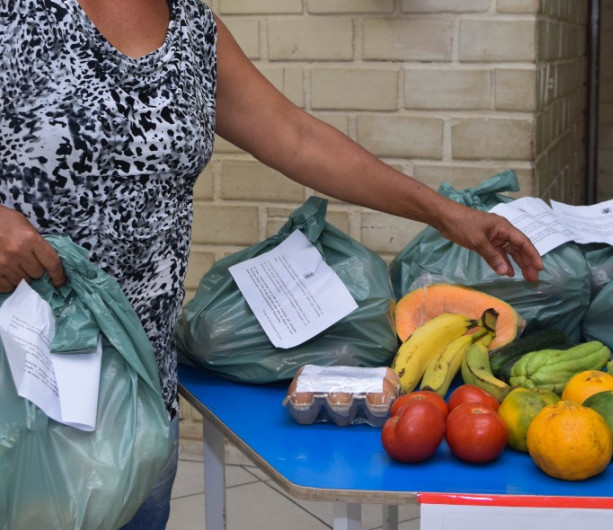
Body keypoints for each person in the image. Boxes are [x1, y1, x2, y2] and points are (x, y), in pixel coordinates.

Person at [0, 0, 543, 528]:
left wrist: (448, 215)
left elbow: (297, 137)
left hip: (134, 401)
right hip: (13, 391)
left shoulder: (190, 25)